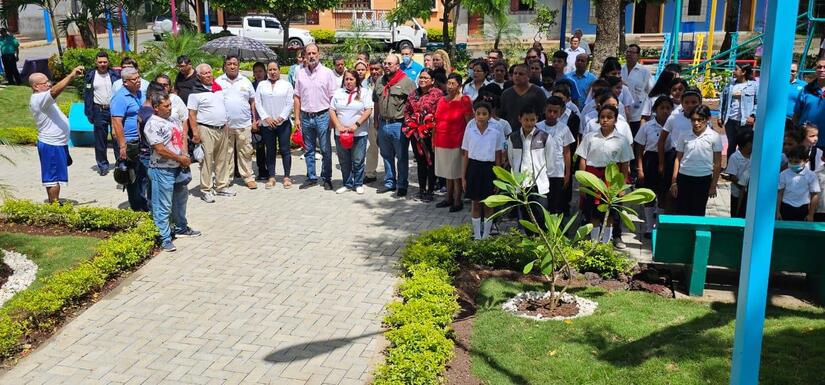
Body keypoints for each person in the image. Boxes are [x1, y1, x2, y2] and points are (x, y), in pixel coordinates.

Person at [144, 91, 201, 252]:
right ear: (156, 107)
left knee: (180, 201)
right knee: (163, 204)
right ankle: (164, 237)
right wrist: (179, 158)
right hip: (162, 170)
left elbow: (181, 136)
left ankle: (181, 228)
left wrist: (184, 154)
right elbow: (159, 148)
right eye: (166, 106)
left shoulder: (172, 118)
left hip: (178, 167)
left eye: (170, 105)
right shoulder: (152, 124)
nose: (170, 108)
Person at [575, 105, 633, 245]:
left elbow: (625, 164)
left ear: (615, 120)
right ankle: (594, 243)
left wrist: (622, 186)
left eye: (609, 117)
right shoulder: (590, 137)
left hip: (612, 179)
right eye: (602, 117)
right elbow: (582, 159)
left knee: (610, 213)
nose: (605, 120)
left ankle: (606, 243)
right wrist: (583, 182)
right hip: (593, 177)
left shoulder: (621, 140)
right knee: (593, 212)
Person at [28, 66, 85, 203]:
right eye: (45, 83)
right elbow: (55, 91)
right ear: (36, 86)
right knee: (53, 177)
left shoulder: (42, 98)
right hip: (51, 144)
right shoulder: (39, 98)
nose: (48, 84)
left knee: (56, 174)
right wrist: (71, 75)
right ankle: (54, 204)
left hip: (58, 143)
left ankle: (54, 201)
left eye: (48, 81)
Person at [293, 43, 338, 190]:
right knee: (309, 149)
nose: (311, 56)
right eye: (309, 53)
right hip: (306, 117)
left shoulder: (327, 73)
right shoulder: (300, 73)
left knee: (325, 149)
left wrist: (333, 118)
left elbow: (333, 97)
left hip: (323, 116)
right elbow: (297, 97)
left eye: (314, 53)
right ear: (304, 56)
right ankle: (311, 177)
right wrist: (297, 118)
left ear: (319, 54)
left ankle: (326, 177)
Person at [375, 53, 417, 197]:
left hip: (399, 124)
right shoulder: (380, 81)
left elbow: (413, 104)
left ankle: (402, 184)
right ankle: (389, 182)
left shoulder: (407, 82)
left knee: (402, 156)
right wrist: (376, 120)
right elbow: (376, 101)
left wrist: (410, 124)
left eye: (389, 64)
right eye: (385, 63)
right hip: (383, 123)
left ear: (397, 66)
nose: (386, 66)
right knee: (386, 155)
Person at [462, 101, 504, 240]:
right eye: (478, 113)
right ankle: (477, 235)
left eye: (484, 114)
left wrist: (498, 177)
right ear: (474, 114)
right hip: (473, 168)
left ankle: (486, 236)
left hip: (489, 169)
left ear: (489, 115)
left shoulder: (495, 132)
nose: (481, 116)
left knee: (488, 203)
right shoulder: (470, 130)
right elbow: (466, 154)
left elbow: (498, 156)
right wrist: (463, 176)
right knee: (475, 202)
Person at [671, 105, 722, 217]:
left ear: (708, 119)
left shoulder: (714, 137)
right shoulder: (684, 135)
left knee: (698, 211)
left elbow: (718, 163)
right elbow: (678, 159)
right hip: (684, 177)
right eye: (693, 120)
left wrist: (713, 185)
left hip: (703, 179)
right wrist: (674, 182)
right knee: (682, 210)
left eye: (700, 120)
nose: (696, 123)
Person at [215, 55, 257, 191]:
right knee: (226, 153)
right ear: (225, 66)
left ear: (238, 66)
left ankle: (248, 178)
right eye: (229, 64)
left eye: (235, 64)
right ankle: (226, 178)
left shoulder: (246, 81)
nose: (232, 66)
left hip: (244, 124)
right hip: (225, 125)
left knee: (246, 152)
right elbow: (214, 103)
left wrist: (254, 120)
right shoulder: (218, 82)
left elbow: (253, 102)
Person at [188, 63, 228, 203]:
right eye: (204, 73)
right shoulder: (195, 93)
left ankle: (221, 186)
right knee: (207, 161)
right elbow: (192, 115)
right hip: (206, 129)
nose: (208, 75)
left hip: (222, 128)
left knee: (222, 159)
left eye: (209, 72)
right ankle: (206, 189)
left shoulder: (218, 89)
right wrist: (195, 133)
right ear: (199, 76)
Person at [634, 97, 675, 236]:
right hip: (650, 160)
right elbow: (639, 149)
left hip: (669, 160)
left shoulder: (674, 126)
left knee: (663, 194)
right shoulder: (647, 126)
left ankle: (658, 225)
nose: (665, 111)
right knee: (649, 194)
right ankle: (648, 226)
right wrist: (640, 169)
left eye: (668, 108)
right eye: (661, 108)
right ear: (655, 110)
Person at [508, 106, 553, 231]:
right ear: (520, 119)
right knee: (524, 219)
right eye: (526, 120)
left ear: (537, 119)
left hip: (539, 185)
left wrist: (543, 176)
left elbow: (550, 162)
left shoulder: (544, 137)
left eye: (532, 120)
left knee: (541, 217)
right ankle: (527, 242)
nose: (529, 123)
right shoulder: (513, 137)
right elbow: (511, 160)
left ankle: (541, 243)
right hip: (521, 185)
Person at [330, 69, 374, 194]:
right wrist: (338, 125)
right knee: (344, 160)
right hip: (341, 133)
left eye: (351, 79)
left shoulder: (364, 92)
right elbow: (332, 110)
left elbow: (368, 110)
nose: (348, 82)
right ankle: (347, 183)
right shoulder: (338, 93)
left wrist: (357, 124)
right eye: (346, 79)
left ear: (357, 80)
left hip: (359, 133)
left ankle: (358, 183)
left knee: (358, 159)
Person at [111, 67, 149, 211]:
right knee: (133, 177)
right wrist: (122, 146)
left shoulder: (141, 94)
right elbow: (117, 122)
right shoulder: (120, 97)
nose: (138, 81)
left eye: (139, 77)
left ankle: (143, 202)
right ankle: (137, 207)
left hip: (143, 141)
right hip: (130, 142)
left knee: (143, 174)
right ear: (125, 82)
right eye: (134, 79)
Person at [434, 73, 473, 211]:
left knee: (456, 174)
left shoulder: (465, 100)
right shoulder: (442, 100)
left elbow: (469, 124)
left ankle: (457, 200)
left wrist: (467, 144)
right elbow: (436, 121)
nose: (450, 87)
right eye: (448, 83)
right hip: (441, 141)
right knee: (447, 173)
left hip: (457, 142)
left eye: (453, 84)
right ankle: (448, 198)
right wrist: (434, 141)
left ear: (459, 85)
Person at [404, 69, 443, 201]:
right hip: (416, 135)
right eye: (421, 77)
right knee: (421, 162)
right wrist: (411, 125)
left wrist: (431, 127)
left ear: (432, 81)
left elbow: (440, 113)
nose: (422, 80)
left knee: (431, 161)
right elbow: (407, 112)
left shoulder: (438, 94)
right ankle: (421, 189)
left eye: (426, 78)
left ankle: (431, 190)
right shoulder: (413, 94)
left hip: (432, 134)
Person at [255, 60, 294, 189]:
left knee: (284, 150)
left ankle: (287, 176)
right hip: (267, 124)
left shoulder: (286, 85)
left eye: (275, 69)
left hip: (283, 124)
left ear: (279, 70)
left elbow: (289, 103)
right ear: (267, 71)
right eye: (270, 70)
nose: (272, 72)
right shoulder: (262, 85)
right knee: (270, 150)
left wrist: (280, 118)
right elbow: (258, 103)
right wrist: (266, 118)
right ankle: (271, 176)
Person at [537, 96, 575, 214]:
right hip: (540, 171)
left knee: (556, 203)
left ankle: (555, 229)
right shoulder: (537, 127)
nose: (552, 114)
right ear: (544, 110)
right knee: (541, 204)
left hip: (557, 172)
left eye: (555, 112)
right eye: (549, 111)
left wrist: (567, 173)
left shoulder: (564, 129)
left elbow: (567, 152)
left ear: (561, 112)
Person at [83, 51, 120, 175]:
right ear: (96, 62)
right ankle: (103, 165)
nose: (102, 64)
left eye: (105, 62)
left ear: (108, 62)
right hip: (99, 110)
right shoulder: (91, 75)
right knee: (100, 140)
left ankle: (120, 163)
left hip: (115, 110)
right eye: (100, 62)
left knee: (117, 138)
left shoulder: (114, 75)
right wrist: (89, 112)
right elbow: (87, 94)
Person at [658, 87, 703, 179]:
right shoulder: (674, 118)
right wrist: (661, 163)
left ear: (700, 103)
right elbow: (661, 140)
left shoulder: (704, 120)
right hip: (675, 157)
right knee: (672, 186)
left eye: (694, 102)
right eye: (686, 102)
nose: (690, 105)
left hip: (696, 157)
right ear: (681, 103)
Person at [719, 63, 758, 157]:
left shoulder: (753, 85)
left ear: (743, 72)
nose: (734, 71)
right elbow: (722, 101)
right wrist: (720, 116)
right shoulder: (730, 84)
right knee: (731, 145)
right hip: (730, 121)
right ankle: (730, 168)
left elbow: (758, 102)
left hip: (745, 122)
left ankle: (744, 168)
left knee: (745, 145)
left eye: (736, 69)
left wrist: (753, 115)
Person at [778, 144, 821, 221]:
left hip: (803, 209)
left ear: (806, 161)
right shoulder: (783, 174)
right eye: (790, 161)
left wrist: (811, 214)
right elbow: (780, 193)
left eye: (796, 162)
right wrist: (777, 212)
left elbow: (814, 195)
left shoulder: (811, 175)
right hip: (786, 208)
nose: (793, 164)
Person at [500, 64, 546, 132]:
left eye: (521, 74)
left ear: (528, 76)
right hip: (511, 134)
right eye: (515, 73)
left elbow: (543, 115)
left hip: (532, 133)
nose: (517, 76)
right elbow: (502, 116)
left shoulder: (538, 92)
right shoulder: (506, 94)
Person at [793, 57, 825, 148]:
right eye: (819, 67)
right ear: (816, 70)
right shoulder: (806, 90)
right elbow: (796, 115)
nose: (822, 70)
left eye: (824, 67)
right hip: (805, 142)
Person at [621, 44, 652, 134]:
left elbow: (649, 91)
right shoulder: (620, 69)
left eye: (632, 52)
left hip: (637, 113)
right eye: (628, 52)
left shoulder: (644, 71)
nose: (629, 54)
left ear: (638, 55)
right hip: (621, 112)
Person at [723, 130, 753, 218]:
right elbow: (732, 176)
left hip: (750, 193)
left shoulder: (754, 156)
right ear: (745, 144)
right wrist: (742, 186)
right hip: (737, 192)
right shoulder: (735, 157)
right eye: (751, 143)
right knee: (737, 214)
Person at [365, 58, 384, 183]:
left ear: (381, 69)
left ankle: (390, 174)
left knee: (387, 149)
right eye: (372, 69)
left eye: (377, 69)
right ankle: (370, 173)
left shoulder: (387, 82)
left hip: (385, 119)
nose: (374, 71)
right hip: (370, 119)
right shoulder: (364, 84)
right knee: (372, 146)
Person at [250, 62, 269, 181]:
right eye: (255, 72)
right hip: (256, 121)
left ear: (265, 72)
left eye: (260, 71)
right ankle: (262, 170)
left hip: (268, 120)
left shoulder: (269, 84)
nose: (258, 74)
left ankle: (270, 170)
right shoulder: (251, 86)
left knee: (270, 147)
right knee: (260, 147)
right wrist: (254, 119)